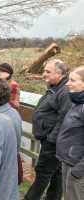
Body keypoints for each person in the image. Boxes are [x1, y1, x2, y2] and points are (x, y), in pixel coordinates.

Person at [24, 59, 72, 200]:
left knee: (42, 173)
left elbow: (64, 119)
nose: (44, 74)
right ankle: (53, 198)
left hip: (53, 142)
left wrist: (51, 140)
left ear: (59, 73)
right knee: (57, 172)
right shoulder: (55, 87)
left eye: (48, 71)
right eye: (44, 71)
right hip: (51, 140)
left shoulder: (65, 91)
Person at [56, 66, 84, 200]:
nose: (67, 83)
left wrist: (78, 171)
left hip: (77, 167)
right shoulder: (77, 102)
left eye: (72, 80)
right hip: (68, 162)